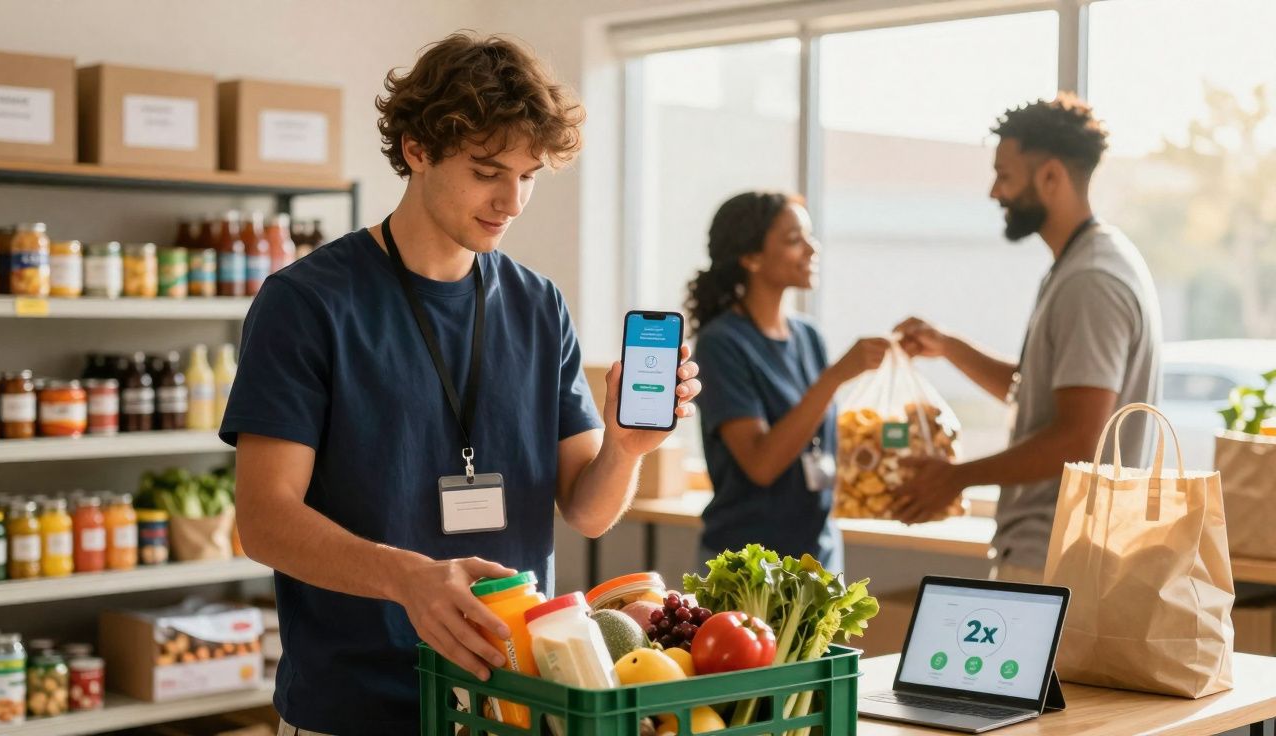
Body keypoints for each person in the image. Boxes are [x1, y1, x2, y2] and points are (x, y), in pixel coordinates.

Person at [220, 34, 701, 735]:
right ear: (417, 148)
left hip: (513, 706)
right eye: (487, 171)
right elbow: (264, 520)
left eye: (529, 176)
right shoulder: (307, 302)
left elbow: (589, 512)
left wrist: (625, 449)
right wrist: (408, 578)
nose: (512, 200)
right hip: (357, 710)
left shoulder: (539, 305)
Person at [893, 93, 1163, 583]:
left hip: (1062, 558)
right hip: (1054, 550)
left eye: (1005, 175)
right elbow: (1040, 396)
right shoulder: (1081, 263)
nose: (994, 192)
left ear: (1051, 177)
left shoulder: (1091, 280)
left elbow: (1078, 435)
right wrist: (949, 347)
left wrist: (955, 478)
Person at [687, 191, 889, 571]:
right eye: (795, 240)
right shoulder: (720, 344)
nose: (812, 249)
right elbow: (761, 465)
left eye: (809, 237)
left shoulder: (809, 336)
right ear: (751, 258)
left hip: (819, 556)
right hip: (748, 566)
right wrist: (834, 378)